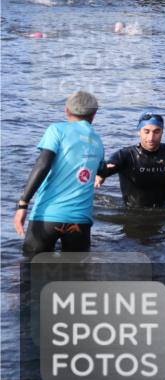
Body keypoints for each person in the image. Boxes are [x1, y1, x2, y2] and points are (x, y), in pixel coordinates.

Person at [14, 91, 104, 256]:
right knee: (75, 277)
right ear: (94, 115)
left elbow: (42, 165)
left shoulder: (57, 130)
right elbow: (100, 170)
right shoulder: (98, 141)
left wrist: (23, 204)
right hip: (80, 221)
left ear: (67, 111)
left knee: (31, 275)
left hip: (48, 217)